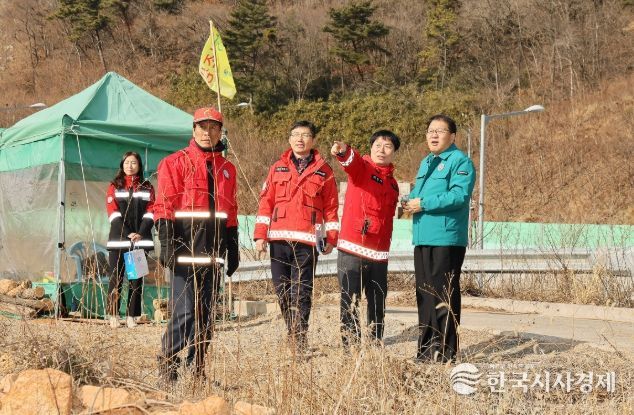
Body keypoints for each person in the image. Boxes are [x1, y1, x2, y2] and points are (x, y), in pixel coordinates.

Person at [154, 107, 240, 382]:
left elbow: (231, 211)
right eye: (202, 127)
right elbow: (163, 205)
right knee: (185, 313)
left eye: (213, 128)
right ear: (193, 130)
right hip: (184, 253)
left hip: (213, 255)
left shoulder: (227, 169)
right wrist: (166, 243)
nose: (207, 132)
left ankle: (197, 370)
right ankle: (168, 364)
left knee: (206, 317)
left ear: (220, 132)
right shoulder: (174, 162)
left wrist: (233, 244)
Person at [254, 120, 339, 352]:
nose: (300, 139)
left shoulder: (324, 171)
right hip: (279, 238)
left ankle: (299, 337)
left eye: (305, 135)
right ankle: (292, 330)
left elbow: (331, 207)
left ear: (313, 140)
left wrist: (332, 237)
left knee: (302, 290)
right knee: (281, 289)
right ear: (290, 139)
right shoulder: (277, 168)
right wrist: (260, 235)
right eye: (296, 134)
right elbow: (266, 203)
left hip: (308, 240)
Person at [403, 114, 475, 363]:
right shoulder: (426, 162)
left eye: (440, 131)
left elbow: (459, 196)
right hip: (423, 237)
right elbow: (418, 192)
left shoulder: (460, 161)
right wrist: (408, 200)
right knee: (425, 295)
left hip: (446, 238)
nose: (433, 135)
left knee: (443, 294)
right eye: (430, 131)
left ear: (452, 136)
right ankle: (426, 351)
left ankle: (445, 352)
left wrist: (423, 203)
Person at [330, 131, 400, 348]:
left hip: (379, 254)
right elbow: (351, 162)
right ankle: (350, 347)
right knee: (350, 301)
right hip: (353, 249)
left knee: (378, 303)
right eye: (377, 145)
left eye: (387, 146)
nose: (382, 150)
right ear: (371, 148)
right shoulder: (363, 169)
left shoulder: (393, 185)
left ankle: (374, 344)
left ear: (394, 152)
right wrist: (344, 151)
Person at [105, 151, 155, 329]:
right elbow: (113, 213)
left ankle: (131, 316)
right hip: (119, 241)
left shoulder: (147, 187)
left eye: (133, 162)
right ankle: (113, 315)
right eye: (127, 162)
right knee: (116, 279)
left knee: (136, 280)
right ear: (122, 165)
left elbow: (151, 211)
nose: (130, 166)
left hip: (139, 242)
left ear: (139, 165)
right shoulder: (114, 186)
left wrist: (140, 232)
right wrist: (128, 233)